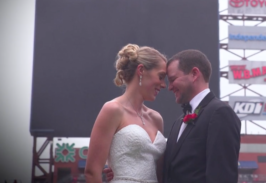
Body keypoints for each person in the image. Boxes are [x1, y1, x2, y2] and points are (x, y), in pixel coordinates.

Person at [85, 44, 168, 183]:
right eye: (161, 76)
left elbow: (160, 174)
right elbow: (92, 172)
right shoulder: (112, 110)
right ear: (141, 70)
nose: (164, 84)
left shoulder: (156, 119)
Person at [163, 49, 241, 183]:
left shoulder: (220, 113)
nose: (169, 87)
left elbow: (222, 176)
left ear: (194, 74)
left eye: (173, 79)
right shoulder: (178, 123)